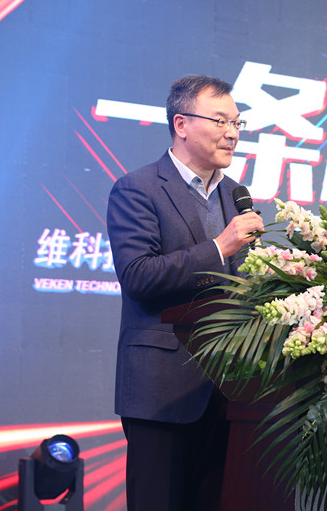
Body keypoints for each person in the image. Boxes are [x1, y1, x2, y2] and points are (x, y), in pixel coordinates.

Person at [106, 75, 264, 511]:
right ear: (181, 124)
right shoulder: (138, 189)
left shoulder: (236, 195)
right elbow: (138, 275)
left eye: (237, 123)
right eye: (220, 121)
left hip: (231, 392)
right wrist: (219, 247)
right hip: (161, 389)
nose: (232, 133)